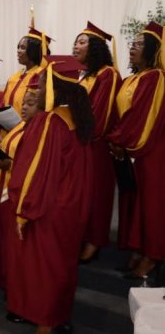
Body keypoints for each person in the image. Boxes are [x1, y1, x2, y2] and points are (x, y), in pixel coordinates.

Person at [6, 56, 94, 334]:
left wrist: (23, 206)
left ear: (54, 87)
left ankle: (45, 320)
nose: (38, 86)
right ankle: (58, 315)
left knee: (45, 266)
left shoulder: (50, 122)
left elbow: (33, 169)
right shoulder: (75, 118)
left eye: (43, 82)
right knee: (62, 264)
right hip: (71, 205)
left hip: (49, 206)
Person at [108, 21, 165, 279]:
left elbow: (142, 115)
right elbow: (123, 115)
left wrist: (118, 140)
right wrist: (118, 139)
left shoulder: (156, 78)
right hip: (134, 147)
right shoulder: (132, 78)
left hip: (153, 149)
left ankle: (154, 256)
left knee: (152, 204)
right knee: (137, 201)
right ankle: (140, 249)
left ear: (153, 49)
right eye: (133, 43)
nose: (133, 47)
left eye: (140, 44)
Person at [73, 22, 122, 263]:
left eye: (82, 42)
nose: (76, 45)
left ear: (96, 48)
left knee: (97, 193)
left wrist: (80, 131)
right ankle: (82, 235)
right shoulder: (84, 76)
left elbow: (101, 113)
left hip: (96, 144)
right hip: (80, 143)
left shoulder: (108, 74)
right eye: (75, 41)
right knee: (82, 193)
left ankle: (95, 240)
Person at [0, 84, 40, 291]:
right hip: (3, 189)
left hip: (18, 195)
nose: (24, 108)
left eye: (30, 103)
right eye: (23, 103)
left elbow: (34, 166)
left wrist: (9, 165)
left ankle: (16, 287)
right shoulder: (19, 127)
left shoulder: (40, 133)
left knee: (16, 246)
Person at [3, 27, 51, 116]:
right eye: (18, 47)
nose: (18, 51)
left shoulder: (40, 76)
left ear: (34, 51)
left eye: (23, 48)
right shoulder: (15, 76)